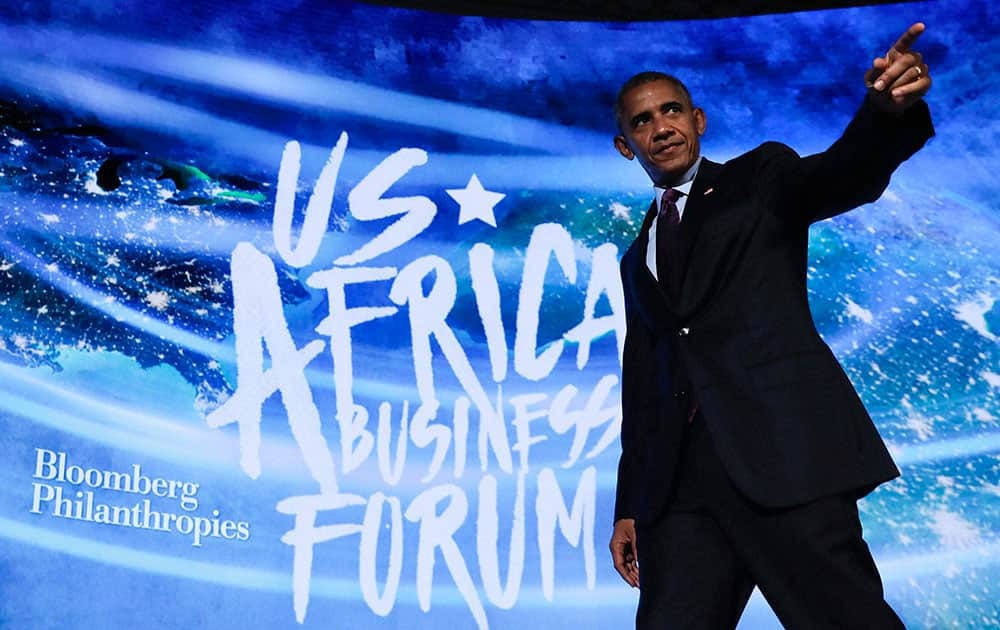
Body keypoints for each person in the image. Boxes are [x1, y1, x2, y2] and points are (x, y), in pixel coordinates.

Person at [607, 23, 933, 629]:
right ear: (628, 145)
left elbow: (841, 174)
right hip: (681, 493)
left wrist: (884, 113)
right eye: (642, 121)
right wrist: (631, 505)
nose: (661, 127)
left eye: (671, 110)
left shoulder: (760, 179)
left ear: (699, 120)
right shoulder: (636, 256)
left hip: (784, 459)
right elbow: (642, 387)